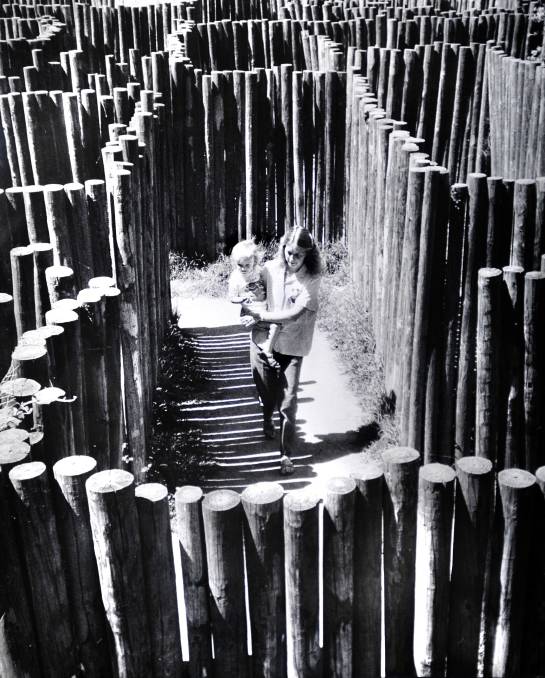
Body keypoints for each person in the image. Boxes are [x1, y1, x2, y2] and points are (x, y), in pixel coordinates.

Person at [241, 227, 322, 475]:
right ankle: (266, 418)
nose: (292, 258)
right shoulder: (269, 269)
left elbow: (294, 314)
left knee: (288, 401)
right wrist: (247, 309)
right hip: (263, 342)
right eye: (289, 252)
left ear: (308, 254)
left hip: (292, 346)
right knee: (267, 393)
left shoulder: (312, 278)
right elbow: (249, 291)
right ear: (283, 248)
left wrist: (262, 314)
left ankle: (286, 454)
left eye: (298, 254)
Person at [228, 239, 280, 368]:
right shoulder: (235, 278)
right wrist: (242, 299)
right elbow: (232, 298)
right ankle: (266, 351)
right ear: (235, 263)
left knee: (276, 326)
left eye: (247, 265)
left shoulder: (259, 271)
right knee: (260, 330)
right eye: (240, 265)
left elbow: (267, 284)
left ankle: (268, 349)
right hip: (249, 311)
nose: (244, 268)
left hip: (263, 309)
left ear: (254, 262)